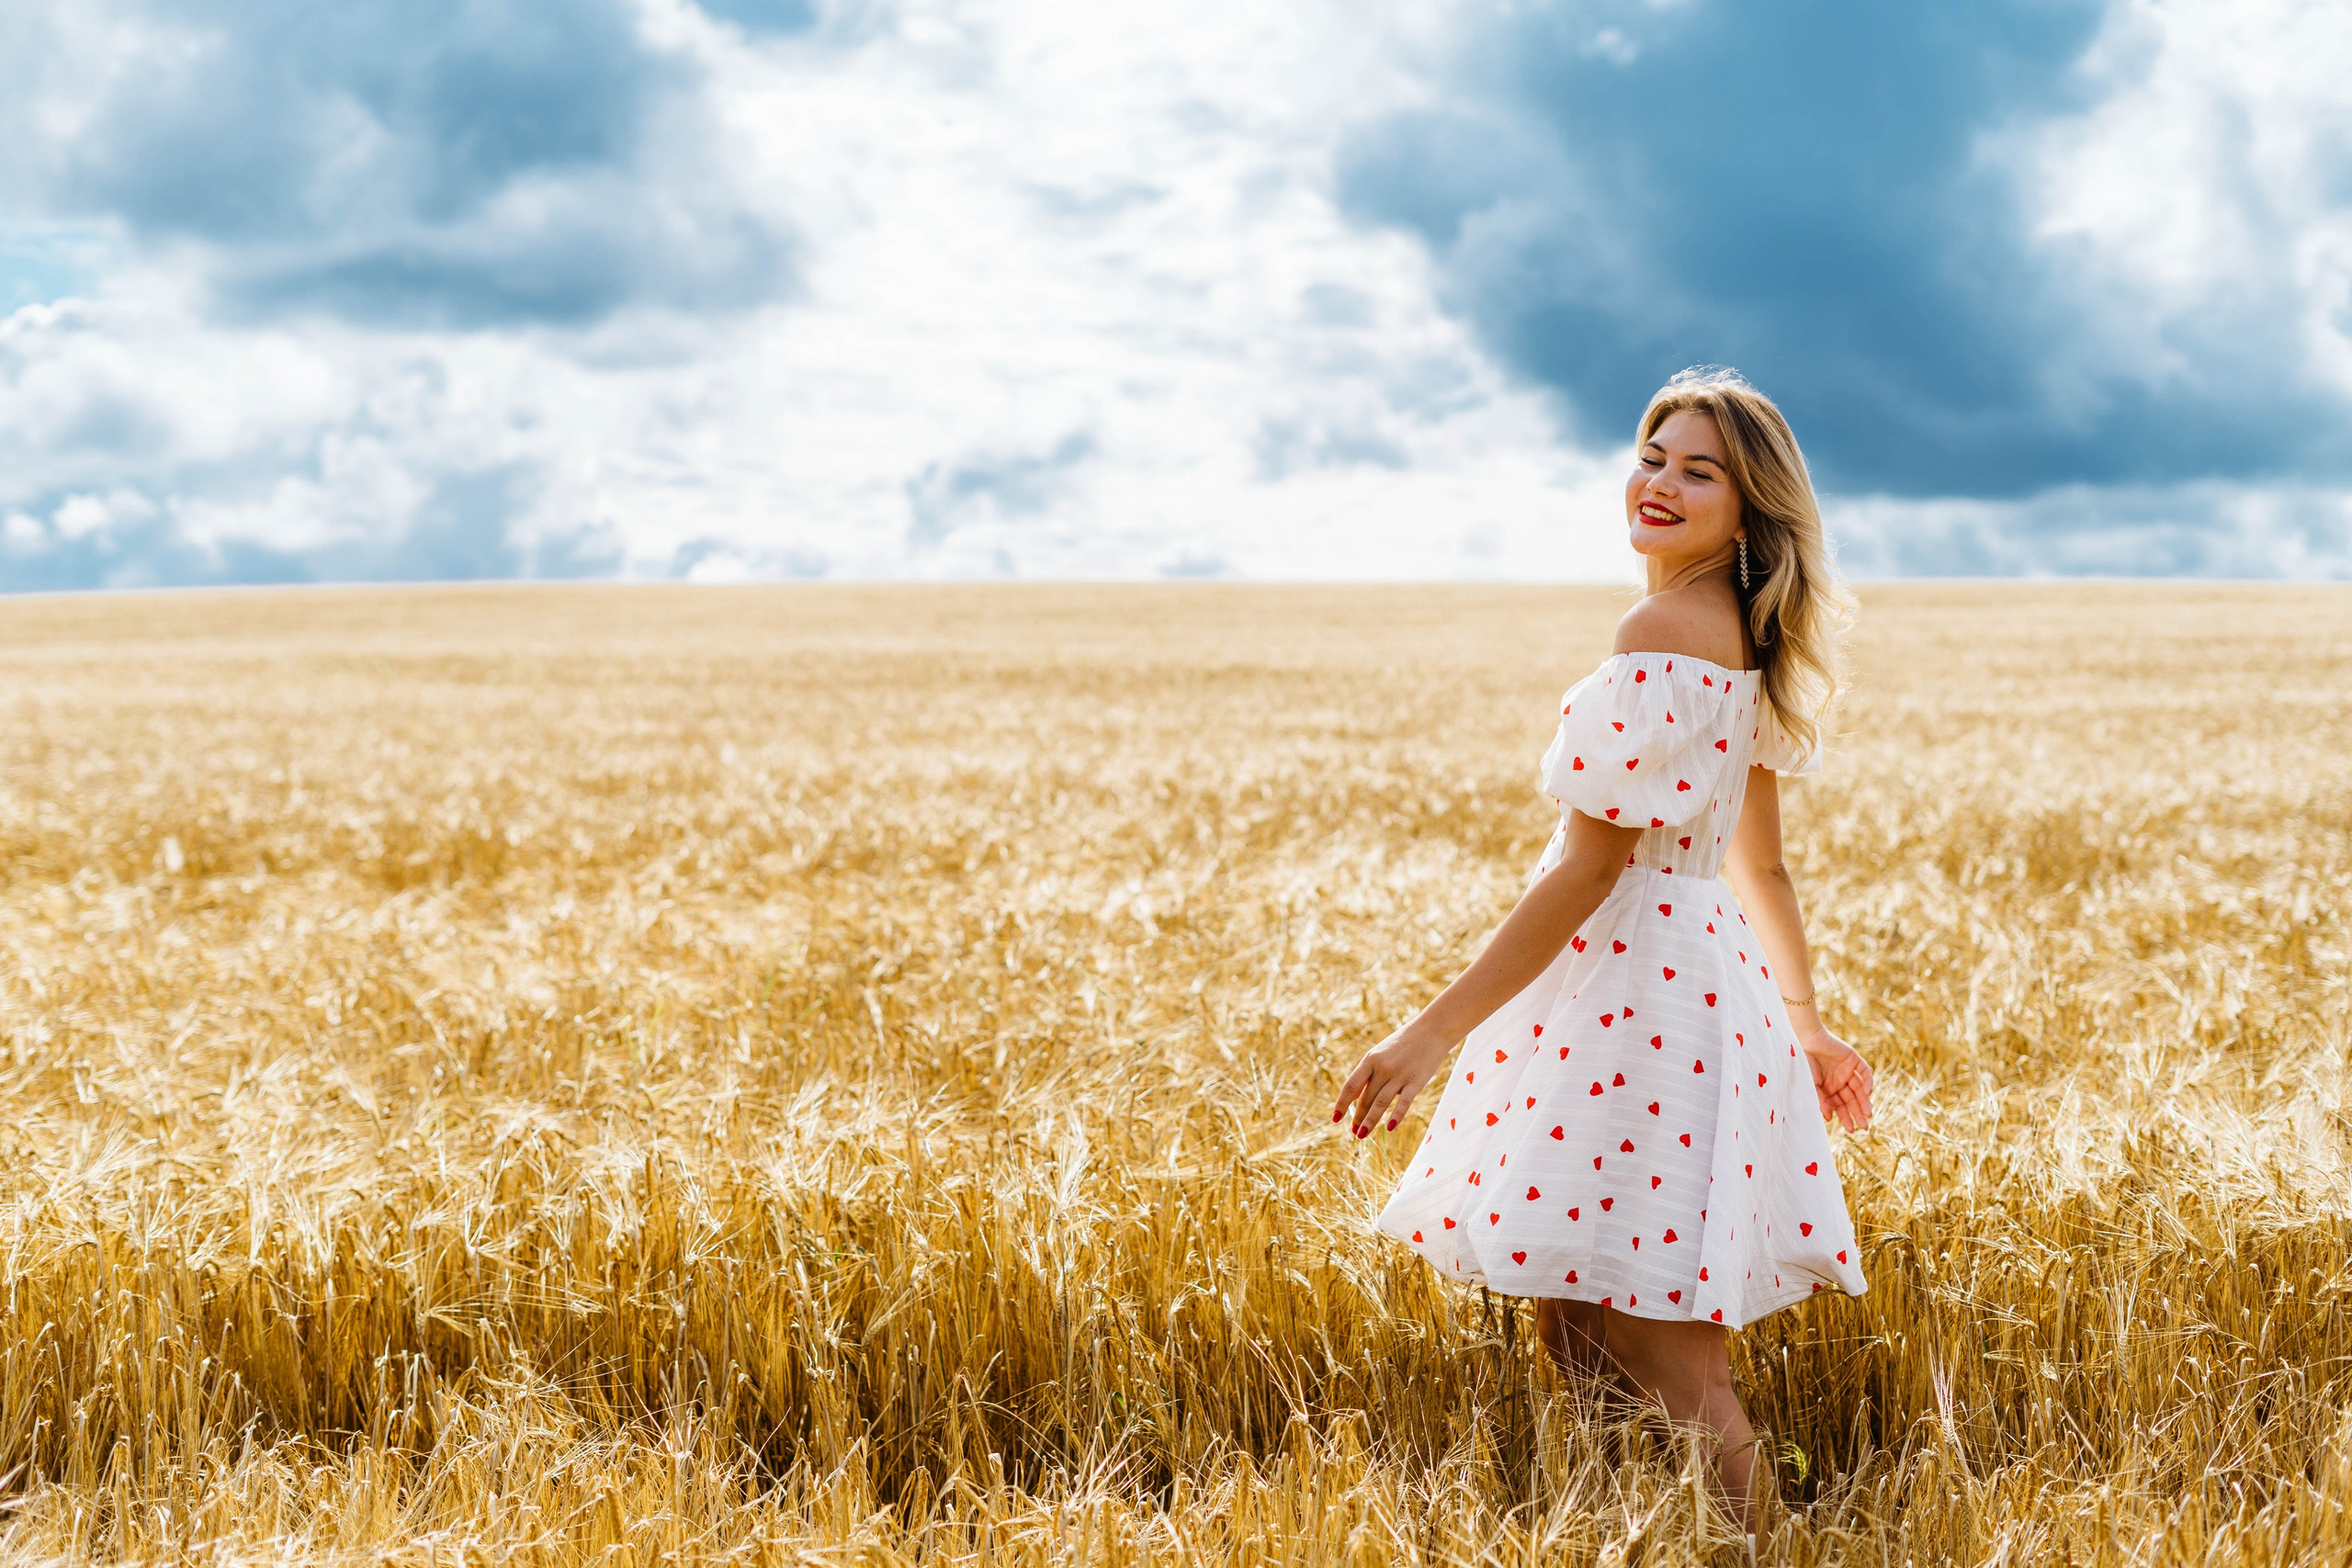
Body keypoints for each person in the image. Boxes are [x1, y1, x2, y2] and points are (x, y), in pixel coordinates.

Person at [1332, 366, 1874, 1531]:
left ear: (1749, 507)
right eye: (1651, 455)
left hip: (1631, 994)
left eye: (1699, 471)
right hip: (1699, 983)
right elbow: (1759, 866)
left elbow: (1589, 866)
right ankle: (1631, 1534)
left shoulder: (1658, 627)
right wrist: (1804, 1022)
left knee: (1658, 1347)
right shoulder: (1741, 634)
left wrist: (1427, 1033)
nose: (1661, 484)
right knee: (1578, 1310)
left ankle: (1758, 1553)